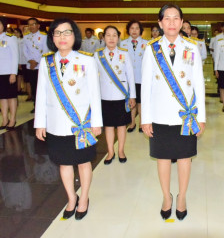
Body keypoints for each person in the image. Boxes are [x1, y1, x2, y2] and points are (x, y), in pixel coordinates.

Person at [141, 4, 205, 221]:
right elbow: (146, 86)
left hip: (185, 115)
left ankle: (182, 197)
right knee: (162, 158)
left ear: (181, 22)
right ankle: (166, 196)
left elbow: (199, 85)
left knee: (185, 157)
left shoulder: (192, 47)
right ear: (159, 23)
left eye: (175, 18)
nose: (171, 22)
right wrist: (145, 118)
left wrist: (201, 117)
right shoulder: (151, 49)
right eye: (166, 18)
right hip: (159, 114)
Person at [34, 18, 102, 220]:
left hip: (81, 124)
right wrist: (40, 123)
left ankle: (84, 199)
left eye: (67, 32)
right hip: (56, 124)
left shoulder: (87, 60)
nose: (62, 37)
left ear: (75, 36)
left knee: (83, 163)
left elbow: (94, 94)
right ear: (52, 37)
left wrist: (96, 122)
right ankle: (72, 198)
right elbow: (41, 94)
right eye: (57, 33)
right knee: (63, 163)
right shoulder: (46, 61)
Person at [95, 26, 136, 165]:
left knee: (121, 126)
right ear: (103, 37)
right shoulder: (97, 55)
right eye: (108, 35)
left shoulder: (124, 53)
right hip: (105, 96)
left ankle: (121, 150)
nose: (111, 38)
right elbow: (94, 77)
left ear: (118, 38)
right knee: (108, 126)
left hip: (121, 95)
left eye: (114, 35)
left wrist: (132, 96)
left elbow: (130, 75)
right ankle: (110, 151)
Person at [120, 20, 148, 133]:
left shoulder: (146, 43)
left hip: (142, 78)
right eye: (132, 28)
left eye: (137, 28)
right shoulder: (123, 44)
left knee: (141, 102)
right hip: (128, 79)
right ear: (128, 30)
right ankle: (132, 123)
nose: (134, 31)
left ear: (140, 30)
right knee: (131, 102)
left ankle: (142, 122)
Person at [23, 18, 49, 113]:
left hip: (40, 66)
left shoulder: (44, 36)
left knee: (42, 87)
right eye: (29, 25)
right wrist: (30, 61)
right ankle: (36, 105)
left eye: (33, 24)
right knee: (33, 86)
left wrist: (36, 62)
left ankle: (44, 106)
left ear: (38, 25)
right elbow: (25, 51)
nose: (31, 26)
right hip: (30, 65)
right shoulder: (26, 37)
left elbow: (46, 51)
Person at [0, 17, 19, 130]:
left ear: (4, 25)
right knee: (2, 97)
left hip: (8, 72)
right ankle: (5, 119)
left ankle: (12, 119)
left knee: (11, 97)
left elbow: (15, 56)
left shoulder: (10, 38)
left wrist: (13, 73)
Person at [14, 28, 27, 95]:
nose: (16, 34)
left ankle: (25, 89)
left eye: (17, 32)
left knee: (24, 76)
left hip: (23, 60)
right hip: (18, 61)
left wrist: (20, 62)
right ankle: (18, 88)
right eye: (15, 32)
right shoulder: (14, 40)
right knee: (18, 76)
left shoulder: (23, 40)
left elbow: (21, 52)